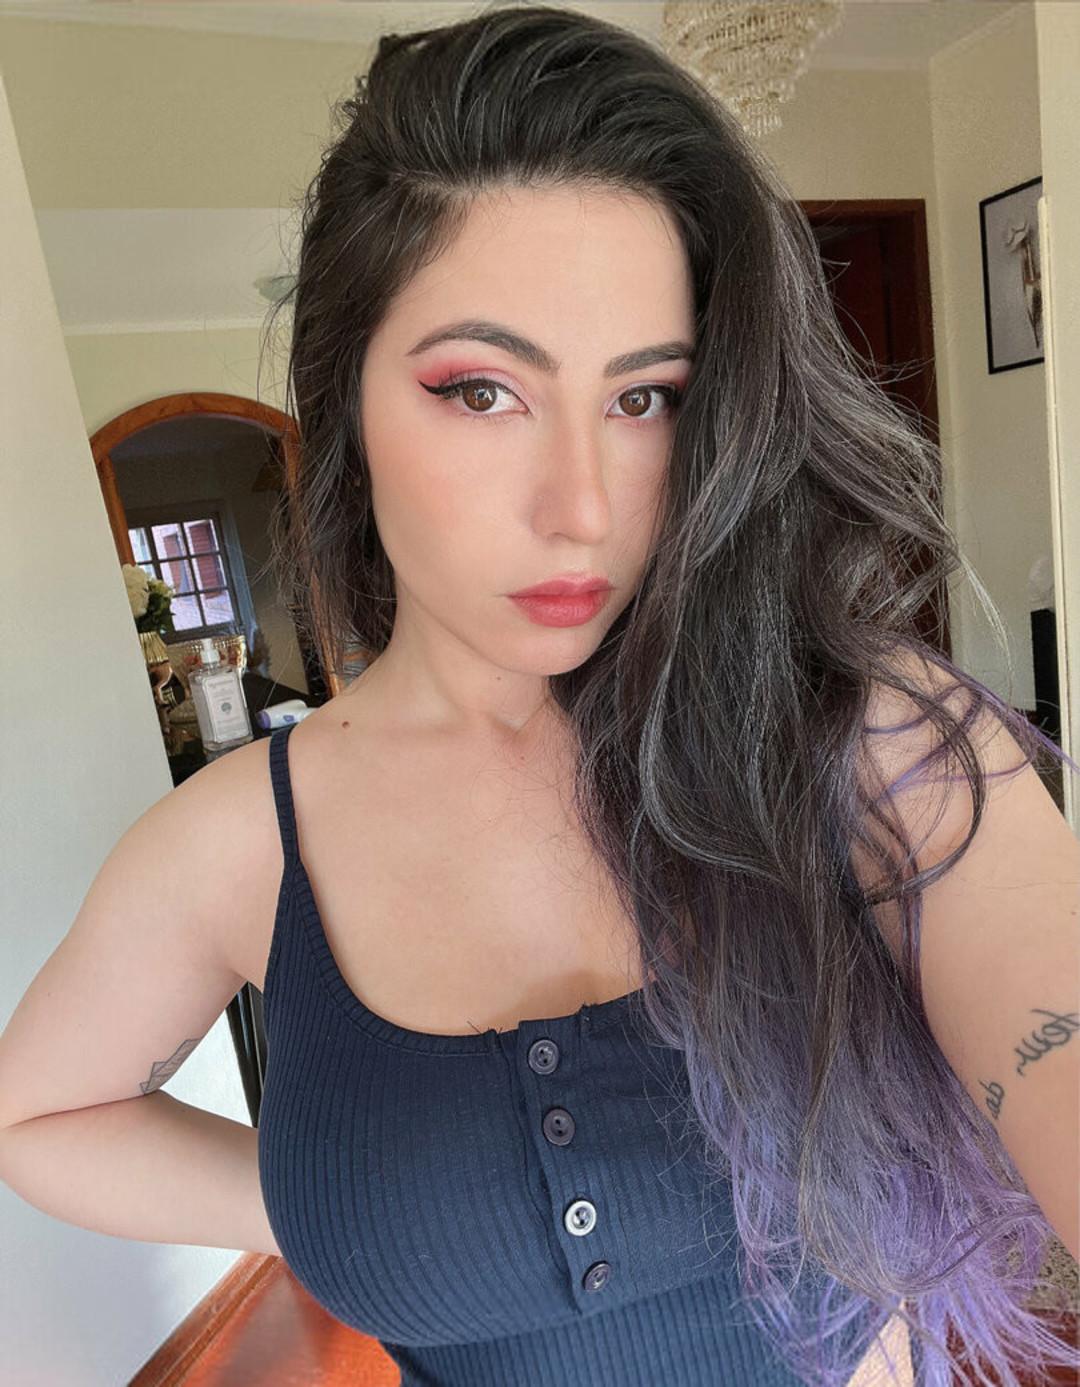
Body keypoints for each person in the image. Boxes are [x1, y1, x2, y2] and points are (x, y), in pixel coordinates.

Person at [1, 6, 1077, 1387]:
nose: (584, 509)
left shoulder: (863, 737)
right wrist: (330, 1212)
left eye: (647, 399)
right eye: (481, 391)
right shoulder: (238, 846)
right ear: (344, 394)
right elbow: (39, 1115)